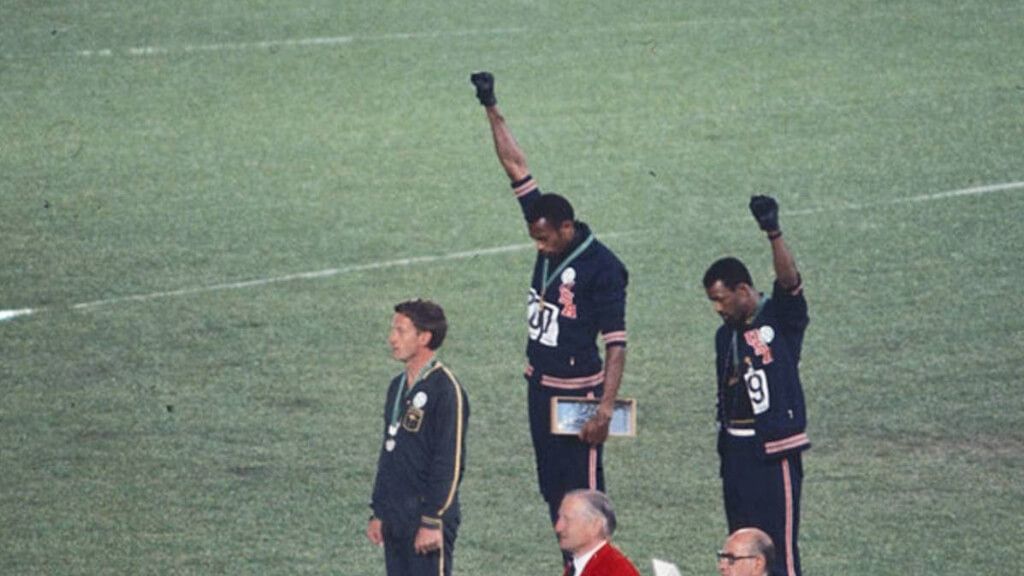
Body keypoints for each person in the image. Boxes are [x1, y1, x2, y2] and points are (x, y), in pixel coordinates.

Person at [470, 72, 631, 536]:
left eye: (543, 239)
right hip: (539, 388)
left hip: (578, 394)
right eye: (533, 238)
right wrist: (490, 104)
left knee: (583, 498)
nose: (538, 246)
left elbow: (616, 344)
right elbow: (515, 164)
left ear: (565, 227)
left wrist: (604, 409)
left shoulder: (604, 268)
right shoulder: (545, 221)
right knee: (551, 493)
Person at [703, 196, 809, 576]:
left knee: (778, 550)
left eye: (720, 299)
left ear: (744, 290)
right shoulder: (723, 336)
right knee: (740, 549)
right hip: (735, 452)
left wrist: (773, 233)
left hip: (772, 448)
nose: (717, 308)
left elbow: (789, 281)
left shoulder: (781, 318)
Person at [367, 299, 470, 576]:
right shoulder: (396, 387)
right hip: (396, 514)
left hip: (427, 517)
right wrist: (379, 511)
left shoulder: (446, 389)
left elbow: (450, 462)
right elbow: (389, 453)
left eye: (401, 331)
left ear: (424, 337)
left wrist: (432, 520)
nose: (392, 338)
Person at [554, 490, 641, 576]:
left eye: (567, 520)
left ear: (595, 526)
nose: (558, 527)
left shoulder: (615, 571)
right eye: (559, 518)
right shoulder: (578, 566)